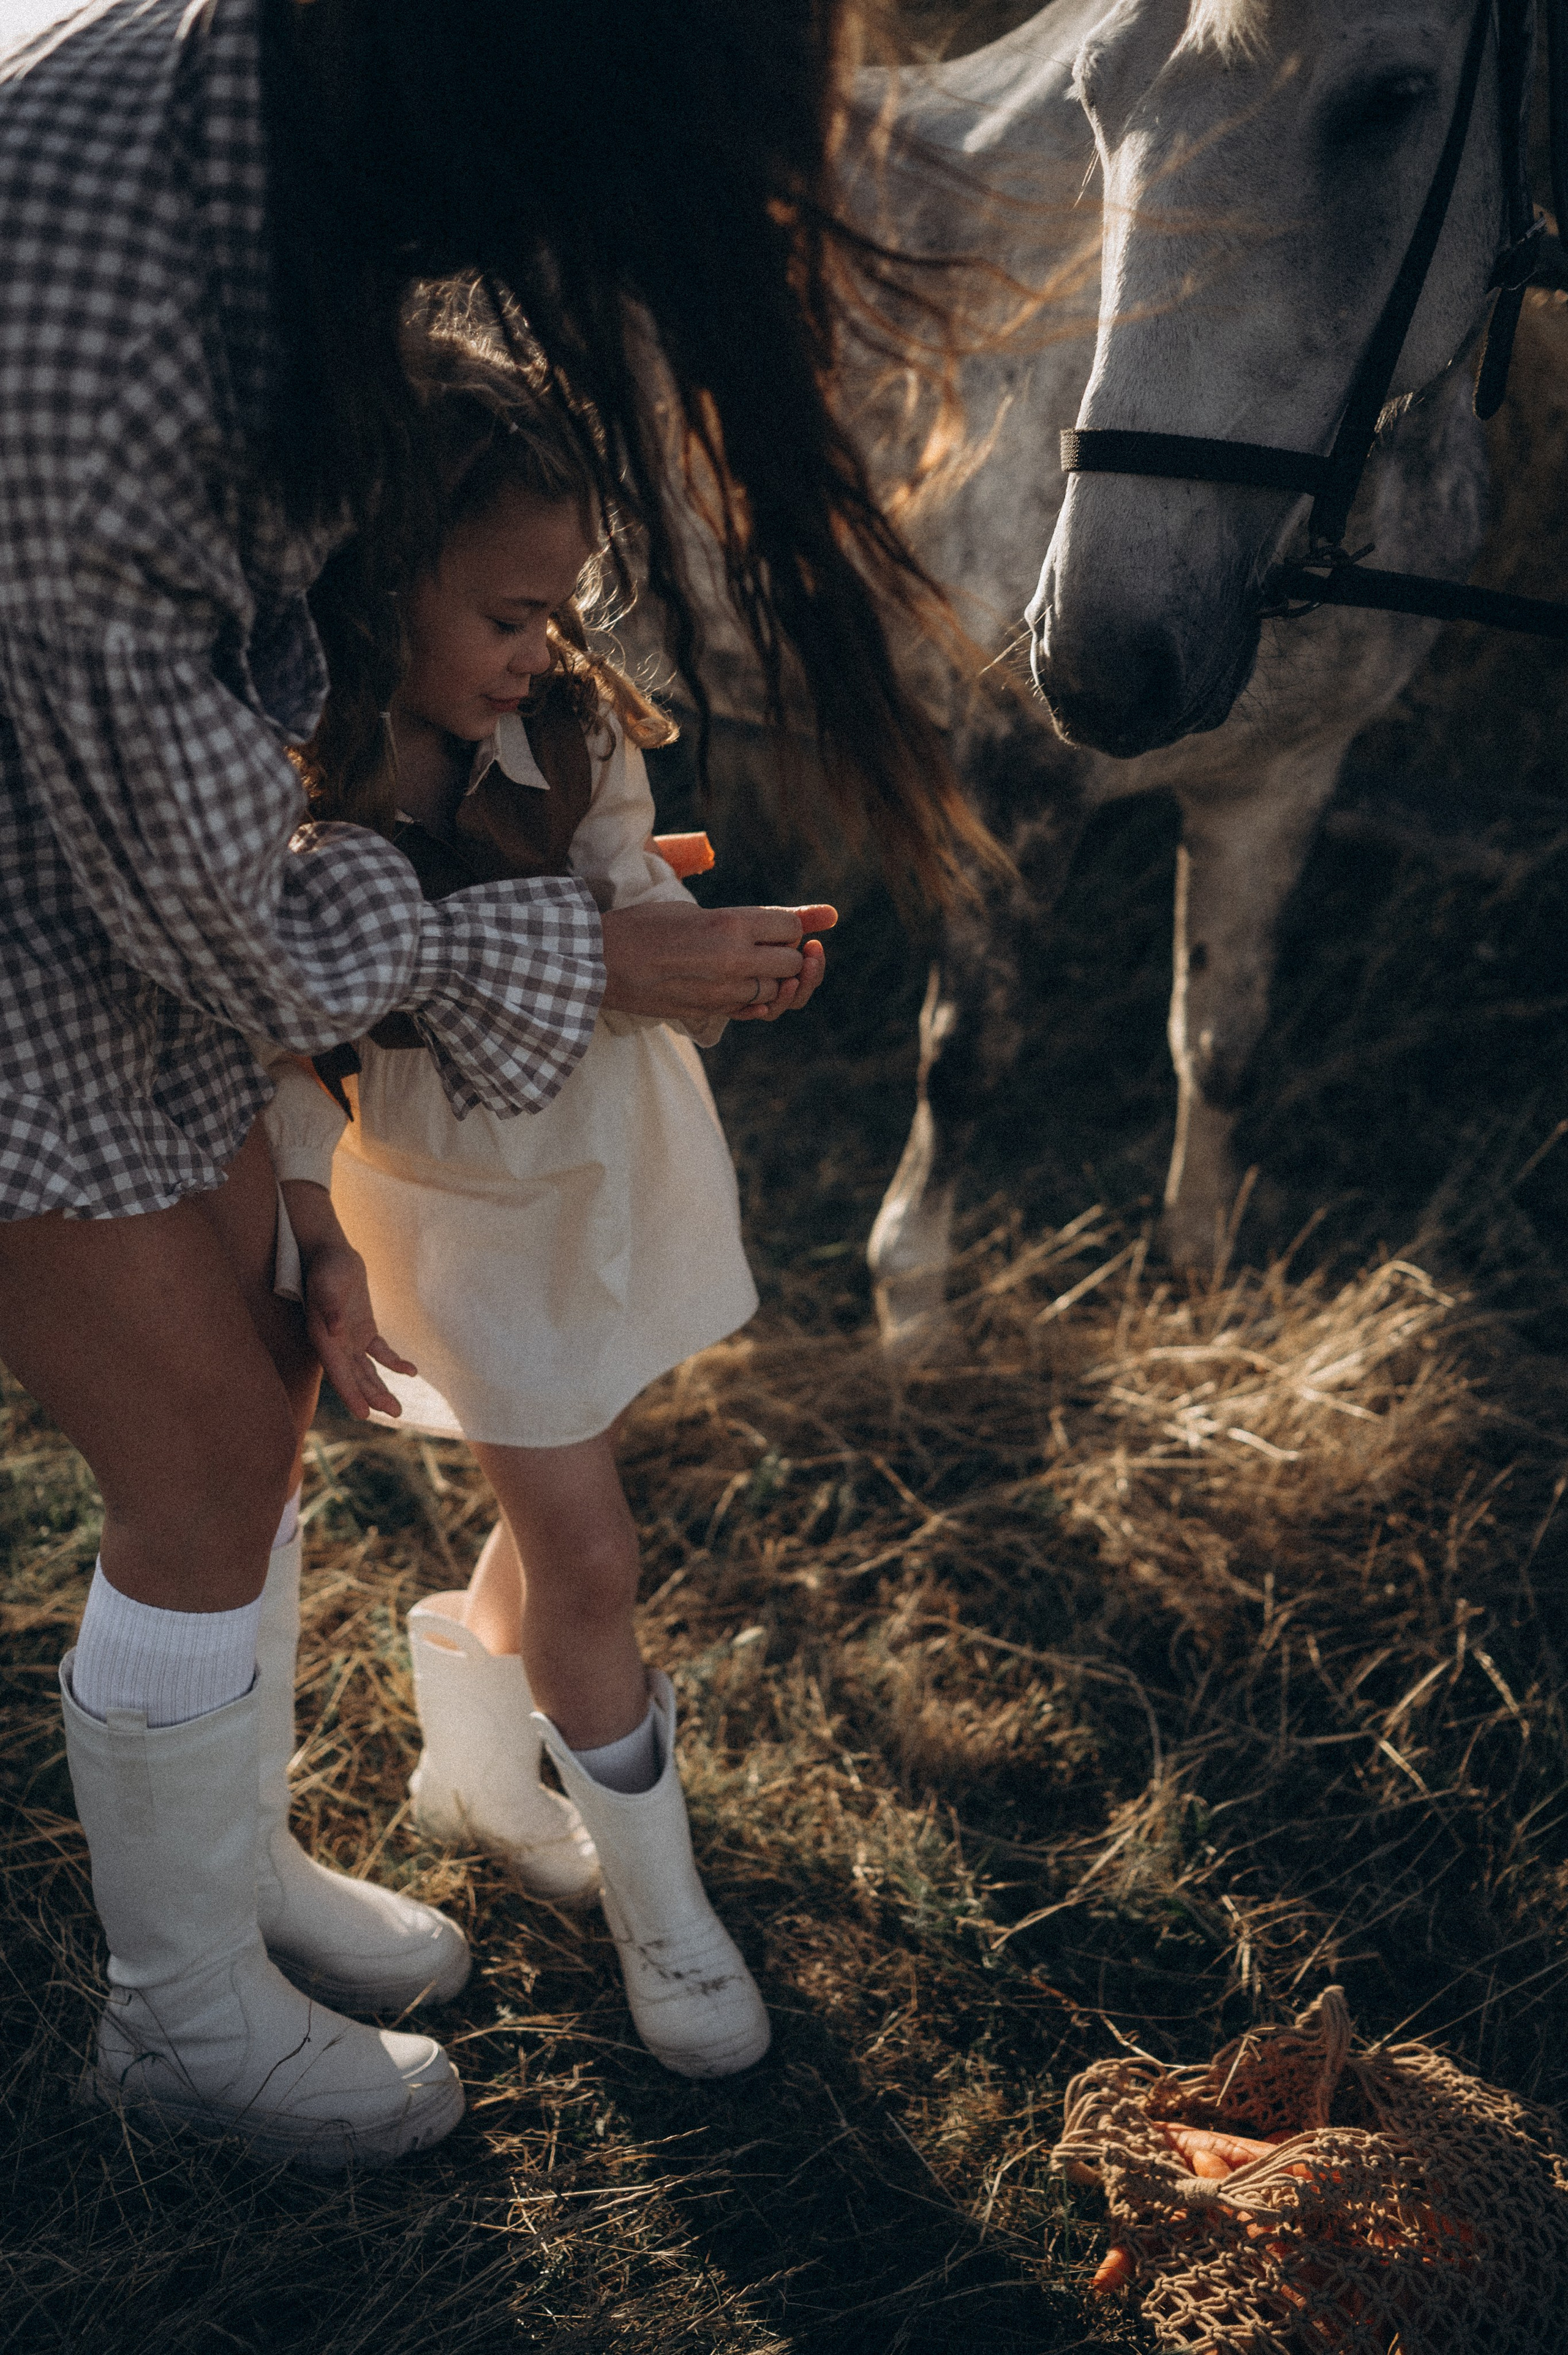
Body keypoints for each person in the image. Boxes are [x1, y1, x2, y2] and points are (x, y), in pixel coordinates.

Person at [0, 0, 983, 2169]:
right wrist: (592, 949)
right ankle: (173, 2018)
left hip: (105, 906)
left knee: (252, 1413)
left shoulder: (256, 176)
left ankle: (224, 1880)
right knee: (186, 1457)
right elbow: (220, 910)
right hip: (45, 933)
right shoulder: (116, 336)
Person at [265, 327, 820, 2078]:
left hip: (609, 1166)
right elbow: (283, 1032)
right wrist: (312, 1213)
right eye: (507, 615)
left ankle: (476, 1769)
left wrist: (685, 934)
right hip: (458, 1201)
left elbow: (618, 886)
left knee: (574, 1466)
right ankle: (666, 1912)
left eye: (557, 612)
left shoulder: (573, 726)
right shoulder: (309, 790)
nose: (541, 649)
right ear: (382, 586)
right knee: (590, 1544)